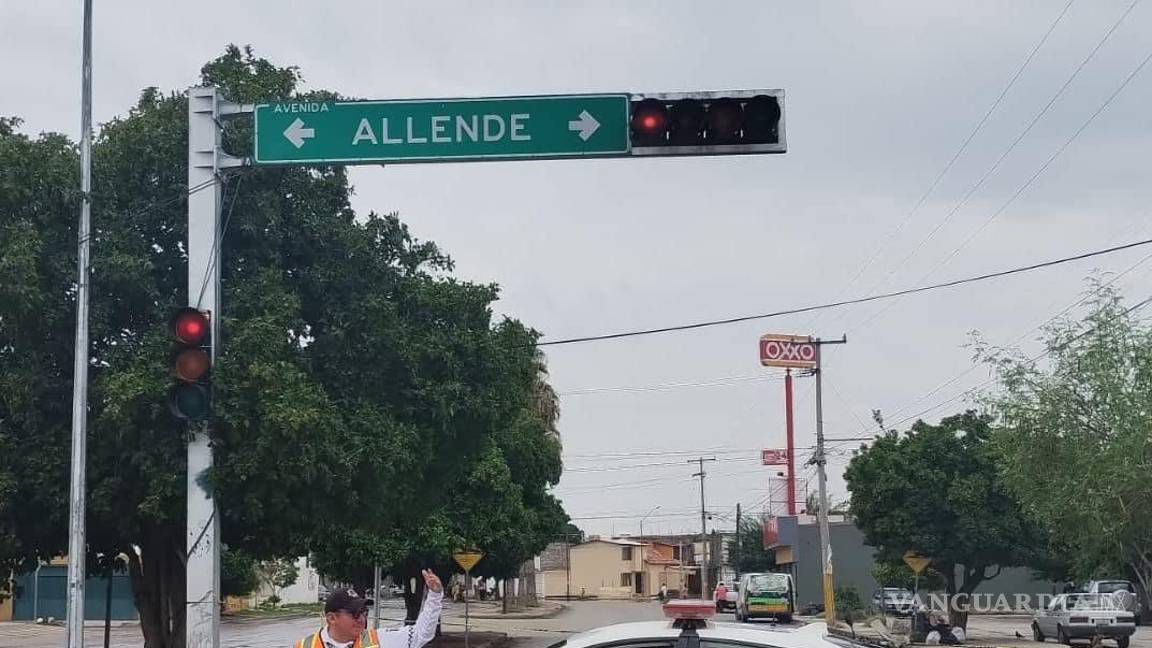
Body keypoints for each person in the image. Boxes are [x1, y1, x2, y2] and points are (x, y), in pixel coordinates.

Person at [294, 569, 443, 648]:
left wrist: (435, 595)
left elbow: (421, 634)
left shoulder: (379, 640)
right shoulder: (304, 646)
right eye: (354, 614)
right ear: (332, 618)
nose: (361, 619)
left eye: (364, 612)